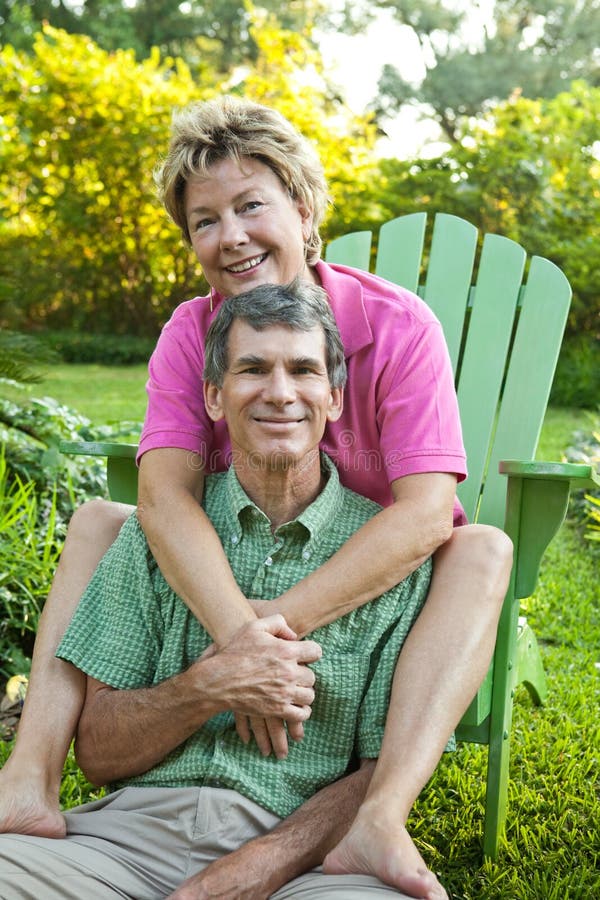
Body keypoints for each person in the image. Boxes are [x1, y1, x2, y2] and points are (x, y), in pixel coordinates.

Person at [0, 95, 513, 896]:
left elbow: (423, 513)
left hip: (375, 571)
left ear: (304, 211)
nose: (229, 236)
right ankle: (27, 776)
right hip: (233, 543)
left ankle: (379, 818)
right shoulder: (191, 334)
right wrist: (236, 646)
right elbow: (163, 496)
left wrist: (264, 641)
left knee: (482, 546)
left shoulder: (396, 325)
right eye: (204, 221)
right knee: (105, 519)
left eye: (249, 206)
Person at [0, 281, 443, 899]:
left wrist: (259, 864)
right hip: (120, 845)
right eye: (253, 369)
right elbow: (98, 752)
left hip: (300, 863)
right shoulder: (158, 537)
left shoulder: (387, 561)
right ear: (214, 395)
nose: (281, 392)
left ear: (336, 397)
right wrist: (209, 686)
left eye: (304, 371)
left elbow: (376, 773)